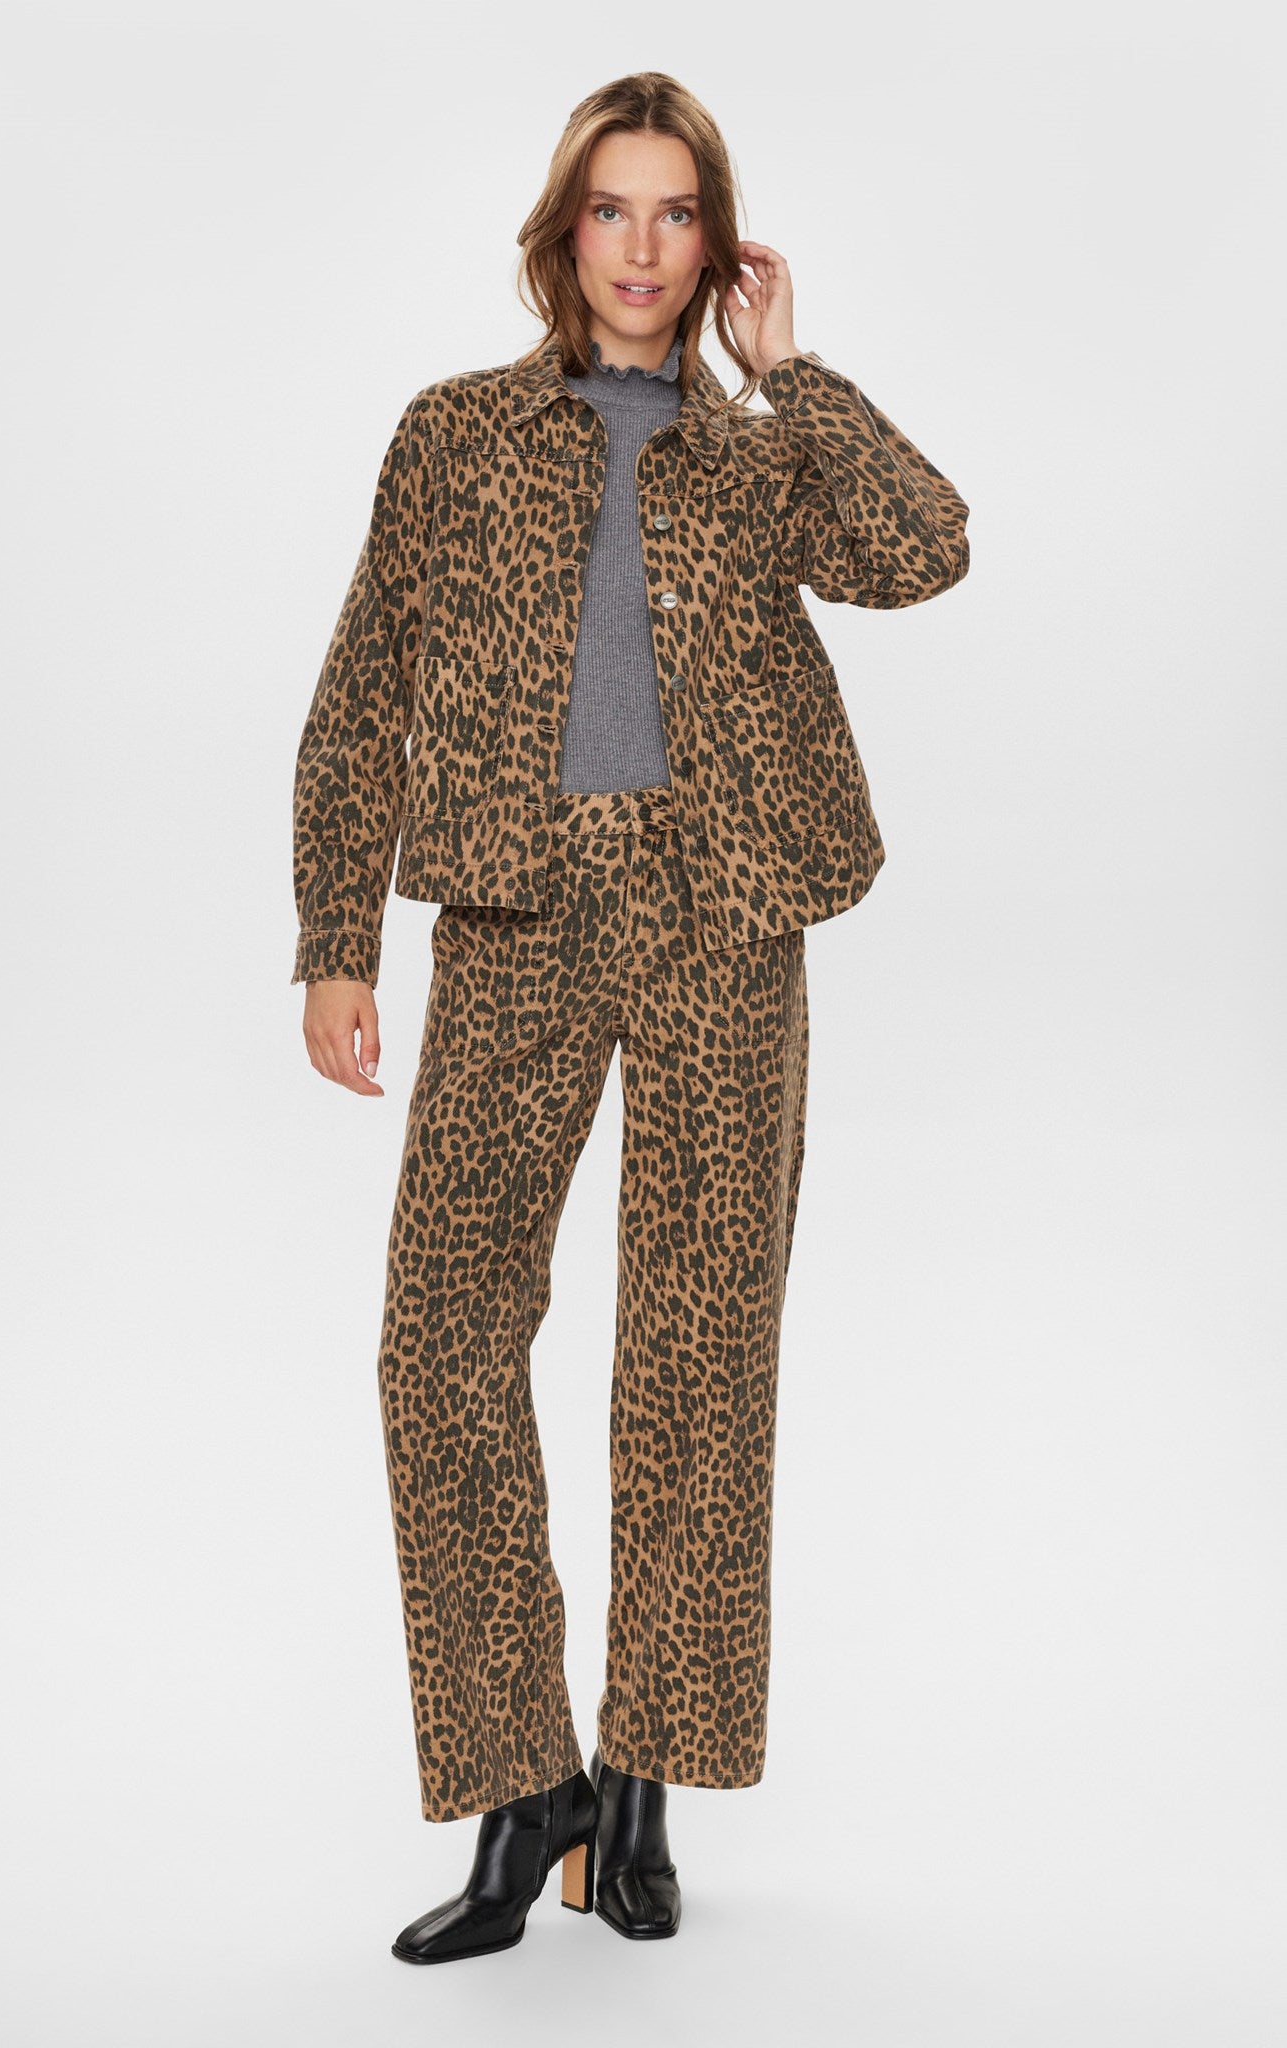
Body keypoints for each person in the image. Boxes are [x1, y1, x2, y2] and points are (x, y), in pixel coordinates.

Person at [290, 70, 969, 1966]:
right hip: (512, 916)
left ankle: (645, 1785)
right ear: (561, 230)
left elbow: (923, 550)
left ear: (716, 243)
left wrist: (793, 374)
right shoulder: (451, 435)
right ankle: (530, 1789)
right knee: (439, 1340)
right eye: (612, 209)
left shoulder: (761, 455)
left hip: (719, 918)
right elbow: (362, 689)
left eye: (679, 215)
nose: (644, 249)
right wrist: (335, 937)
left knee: (696, 1356)